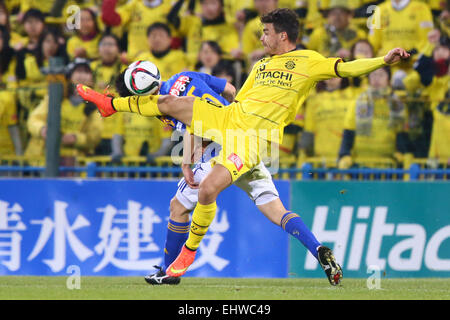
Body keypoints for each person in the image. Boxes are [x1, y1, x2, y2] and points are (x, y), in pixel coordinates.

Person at [78, 8, 410, 285]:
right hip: (231, 119)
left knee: (207, 190)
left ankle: (186, 255)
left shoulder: (309, 61)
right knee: (169, 101)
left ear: (282, 35)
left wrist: (383, 60)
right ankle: (111, 105)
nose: (261, 37)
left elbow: (346, 67)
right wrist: (196, 133)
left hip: (254, 139)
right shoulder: (261, 65)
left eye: (265, 32)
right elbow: (240, 97)